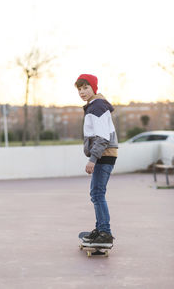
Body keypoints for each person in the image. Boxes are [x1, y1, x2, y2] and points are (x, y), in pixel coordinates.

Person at [74, 74, 118, 248]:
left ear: (94, 88)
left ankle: (105, 233)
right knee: (96, 193)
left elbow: (102, 137)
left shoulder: (97, 106)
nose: (82, 92)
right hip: (103, 154)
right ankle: (100, 230)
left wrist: (92, 159)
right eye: (79, 89)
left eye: (86, 88)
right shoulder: (94, 106)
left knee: (98, 194)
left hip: (103, 154)